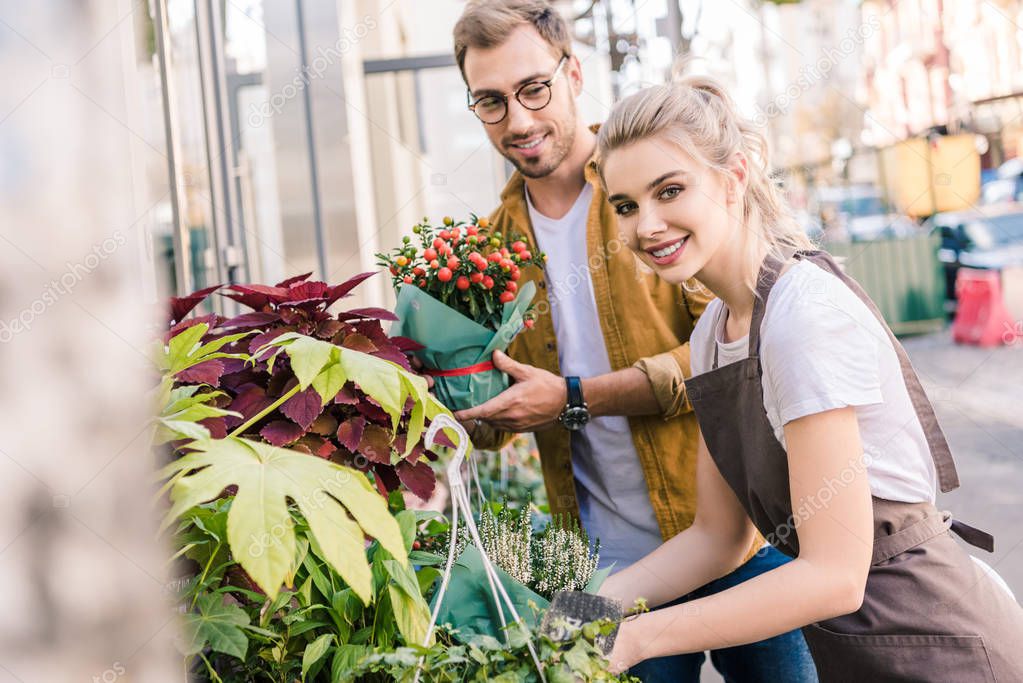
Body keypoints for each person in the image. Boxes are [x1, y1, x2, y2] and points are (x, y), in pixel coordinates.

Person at [595, 73, 1023, 680]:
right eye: (626, 206)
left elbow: (834, 575)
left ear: (734, 178)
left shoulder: (802, 316)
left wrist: (639, 638)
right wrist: (587, 605)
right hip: (859, 652)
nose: (646, 225)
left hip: (936, 646)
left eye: (669, 190)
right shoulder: (713, 331)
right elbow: (717, 538)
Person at [448, 2, 817, 680]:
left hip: (741, 541)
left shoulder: (646, 196)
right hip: (601, 566)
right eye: (491, 102)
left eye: (534, 89)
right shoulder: (489, 250)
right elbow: (502, 411)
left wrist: (574, 399)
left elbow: (727, 352)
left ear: (573, 73)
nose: (520, 121)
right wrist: (446, 401)